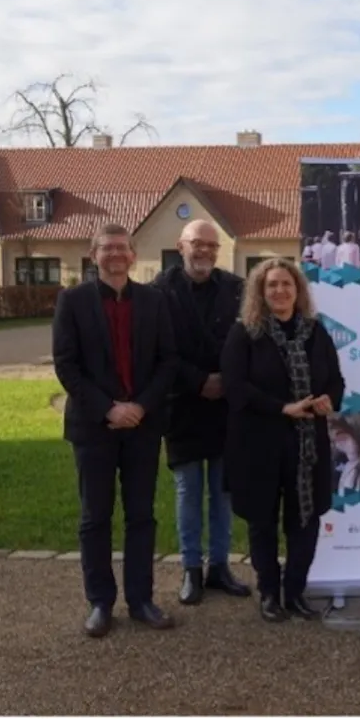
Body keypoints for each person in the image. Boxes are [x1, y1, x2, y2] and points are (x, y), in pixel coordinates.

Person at [51, 223, 178, 638]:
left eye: (122, 247)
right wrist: (108, 408)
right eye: (107, 248)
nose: (115, 254)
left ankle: (141, 600)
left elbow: (168, 361)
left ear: (133, 255)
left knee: (141, 516)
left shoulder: (154, 301)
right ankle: (100, 602)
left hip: (142, 426)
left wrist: (140, 406)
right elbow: (66, 364)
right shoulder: (72, 301)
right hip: (94, 427)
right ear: (94, 255)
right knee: (95, 518)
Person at [220, 257, 345, 622]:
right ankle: (269, 593)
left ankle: (295, 592)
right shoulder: (244, 333)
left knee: (305, 521)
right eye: (272, 284)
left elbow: (335, 381)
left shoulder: (315, 332)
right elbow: (235, 387)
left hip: (307, 447)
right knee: (263, 522)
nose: (279, 290)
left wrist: (328, 400)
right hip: (259, 445)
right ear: (260, 292)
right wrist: (282, 408)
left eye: (286, 284)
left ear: (298, 290)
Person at [151, 219, 252, 605]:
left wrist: (226, 379)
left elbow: (246, 341)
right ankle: (191, 569)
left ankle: (220, 567)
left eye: (212, 245)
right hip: (182, 405)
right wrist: (198, 381)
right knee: (188, 491)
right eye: (198, 244)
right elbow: (159, 350)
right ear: (181, 246)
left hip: (225, 406)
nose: (205, 251)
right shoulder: (159, 292)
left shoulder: (237, 289)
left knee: (222, 493)